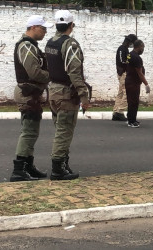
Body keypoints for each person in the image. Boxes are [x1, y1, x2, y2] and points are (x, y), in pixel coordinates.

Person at [45, 10, 89, 180]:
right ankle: (58, 168)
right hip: (66, 93)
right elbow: (74, 72)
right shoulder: (70, 44)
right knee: (64, 131)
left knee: (60, 130)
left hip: (53, 91)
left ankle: (63, 164)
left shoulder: (50, 43)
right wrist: (84, 95)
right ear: (71, 25)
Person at [10, 15, 53, 182]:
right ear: (33, 27)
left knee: (32, 131)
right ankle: (19, 169)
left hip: (32, 93)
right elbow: (34, 72)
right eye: (43, 28)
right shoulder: (27, 46)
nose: (45, 32)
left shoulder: (30, 46)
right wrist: (52, 75)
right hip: (27, 93)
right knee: (29, 131)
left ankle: (28, 165)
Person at [112, 34, 138, 121]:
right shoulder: (122, 48)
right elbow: (122, 61)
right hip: (123, 73)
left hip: (123, 73)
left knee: (121, 93)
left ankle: (116, 111)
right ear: (129, 42)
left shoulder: (125, 49)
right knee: (127, 93)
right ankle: (120, 111)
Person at [125, 40, 150, 128]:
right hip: (133, 82)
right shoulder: (136, 58)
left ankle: (131, 119)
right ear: (139, 47)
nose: (143, 49)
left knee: (131, 101)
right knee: (134, 102)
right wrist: (146, 84)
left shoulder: (130, 54)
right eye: (142, 47)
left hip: (129, 80)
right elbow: (140, 73)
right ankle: (131, 121)